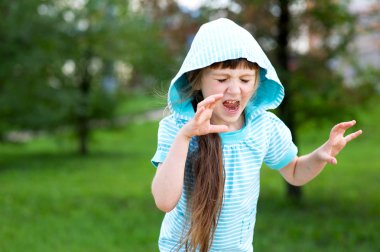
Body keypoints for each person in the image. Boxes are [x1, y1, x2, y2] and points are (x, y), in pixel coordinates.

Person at [150, 18, 362, 252]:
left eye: (245, 79)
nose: (234, 89)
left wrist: (321, 154)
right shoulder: (177, 127)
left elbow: (294, 172)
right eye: (222, 79)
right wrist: (184, 138)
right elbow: (164, 201)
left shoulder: (264, 127)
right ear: (198, 79)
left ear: (257, 82)